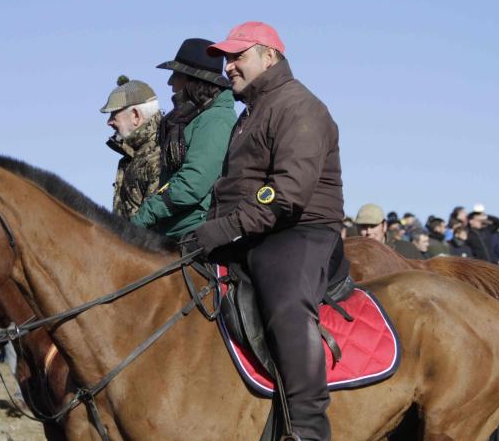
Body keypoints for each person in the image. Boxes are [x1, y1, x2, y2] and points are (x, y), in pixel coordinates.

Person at [190, 22, 348, 440]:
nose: (229, 67)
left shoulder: (299, 106)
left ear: (269, 56)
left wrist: (226, 228)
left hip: (301, 230)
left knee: (286, 306)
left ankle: (307, 429)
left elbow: (288, 193)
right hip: (255, 230)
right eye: (226, 59)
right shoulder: (254, 112)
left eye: (237, 56)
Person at [131, 38, 237, 238]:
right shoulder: (192, 118)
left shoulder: (216, 120)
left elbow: (193, 183)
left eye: (176, 75)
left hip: (195, 234)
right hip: (173, 231)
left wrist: (146, 214)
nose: (170, 82)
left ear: (193, 81)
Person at [101, 76, 162, 219]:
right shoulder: (131, 158)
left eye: (114, 114)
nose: (109, 122)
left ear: (135, 115)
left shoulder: (159, 155)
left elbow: (155, 225)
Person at [356, 204, 423, 259]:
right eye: (363, 227)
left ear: (384, 226)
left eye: (373, 226)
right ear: (357, 229)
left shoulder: (407, 250)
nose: (369, 232)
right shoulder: (350, 255)